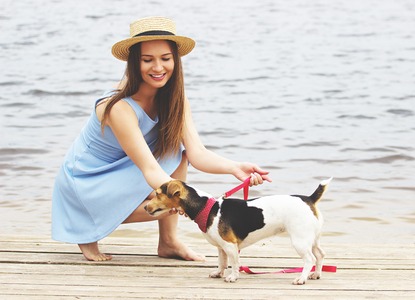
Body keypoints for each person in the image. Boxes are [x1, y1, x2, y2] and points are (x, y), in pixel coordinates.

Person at [52, 16, 271, 262]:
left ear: (175, 61)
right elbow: (149, 168)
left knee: (178, 153)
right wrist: (186, 200)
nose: (158, 68)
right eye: (148, 60)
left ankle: (168, 242)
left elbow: (197, 153)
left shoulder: (176, 100)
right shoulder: (118, 107)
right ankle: (85, 224)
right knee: (174, 196)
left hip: (123, 171)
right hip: (86, 181)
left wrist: (234, 168)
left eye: (165, 59)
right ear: (135, 63)